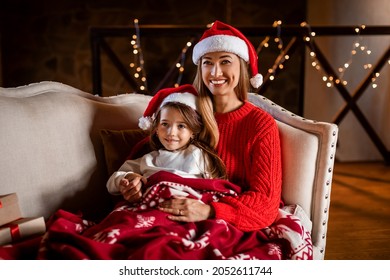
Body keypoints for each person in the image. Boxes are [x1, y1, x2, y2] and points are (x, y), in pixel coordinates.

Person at [159, 20, 283, 231]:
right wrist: (133, 178)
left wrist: (210, 211)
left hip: (227, 219)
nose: (215, 72)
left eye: (225, 61)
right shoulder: (189, 111)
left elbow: (266, 202)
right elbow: (154, 149)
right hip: (175, 205)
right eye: (207, 62)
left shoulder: (260, 124)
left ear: (241, 66)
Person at [107, 84, 227, 219]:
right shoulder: (148, 159)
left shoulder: (200, 156)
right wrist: (129, 179)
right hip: (149, 211)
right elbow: (112, 182)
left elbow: (215, 188)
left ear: (193, 132)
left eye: (181, 126)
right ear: (156, 128)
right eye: (165, 124)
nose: (171, 132)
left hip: (183, 213)